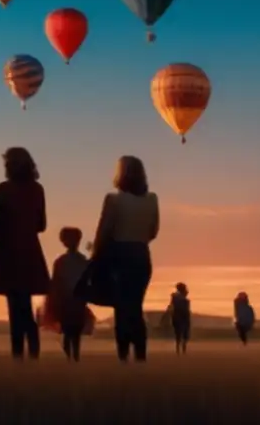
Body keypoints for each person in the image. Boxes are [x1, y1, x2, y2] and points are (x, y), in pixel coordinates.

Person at [90, 155, 159, 362]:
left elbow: (103, 231)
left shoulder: (113, 200)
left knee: (121, 308)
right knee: (135, 307)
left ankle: (123, 357)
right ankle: (140, 355)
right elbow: (153, 231)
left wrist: (95, 256)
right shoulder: (152, 199)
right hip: (141, 255)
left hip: (119, 255)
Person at [0, 147, 50, 359]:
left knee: (15, 306)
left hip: (7, 251)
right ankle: (32, 350)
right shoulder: (37, 189)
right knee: (24, 305)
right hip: (29, 250)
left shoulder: (4, 189)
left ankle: (19, 354)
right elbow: (42, 225)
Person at [46, 226, 89, 362]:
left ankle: (71, 357)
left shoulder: (61, 262)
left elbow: (55, 284)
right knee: (74, 332)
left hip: (69, 300)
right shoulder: (83, 261)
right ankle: (74, 357)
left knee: (69, 332)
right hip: (74, 300)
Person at [168, 282, 191, 355]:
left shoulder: (175, 296)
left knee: (179, 332)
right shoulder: (179, 297)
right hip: (181, 315)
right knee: (183, 332)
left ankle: (179, 348)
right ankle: (181, 347)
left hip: (178, 315)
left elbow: (171, 305)